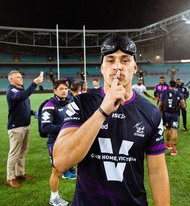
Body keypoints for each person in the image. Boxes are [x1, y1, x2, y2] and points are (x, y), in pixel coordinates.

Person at [53, 35, 170, 206]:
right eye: (110, 60)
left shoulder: (150, 112)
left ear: (135, 67)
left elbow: (157, 171)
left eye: (125, 60)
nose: (117, 67)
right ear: (102, 68)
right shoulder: (82, 103)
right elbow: (61, 162)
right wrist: (102, 111)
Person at [6, 70, 43, 188]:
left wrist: (33, 112)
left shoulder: (21, 90)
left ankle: (20, 174)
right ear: (11, 79)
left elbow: (22, 106)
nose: (21, 78)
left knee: (23, 151)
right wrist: (34, 83)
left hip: (25, 125)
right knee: (14, 153)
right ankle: (10, 178)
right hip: (16, 127)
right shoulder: (12, 90)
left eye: (21, 76)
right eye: (17, 77)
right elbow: (22, 96)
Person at [41, 80, 75, 206]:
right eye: (61, 88)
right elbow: (45, 127)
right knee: (56, 172)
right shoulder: (49, 105)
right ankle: (53, 197)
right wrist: (66, 127)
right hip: (55, 143)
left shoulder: (69, 103)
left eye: (66, 88)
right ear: (54, 90)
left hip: (69, 141)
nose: (64, 91)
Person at [158, 80, 185, 156]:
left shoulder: (164, 93)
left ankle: (167, 143)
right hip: (175, 114)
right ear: (175, 86)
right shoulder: (179, 93)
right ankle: (173, 149)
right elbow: (183, 105)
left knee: (168, 129)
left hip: (166, 114)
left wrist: (157, 112)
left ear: (169, 85)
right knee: (174, 130)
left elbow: (160, 104)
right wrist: (180, 105)